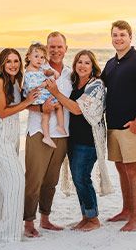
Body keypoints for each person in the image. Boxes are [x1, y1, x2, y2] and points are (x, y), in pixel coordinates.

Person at [46, 50, 113, 232]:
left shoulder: (96, 85)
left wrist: (56, 93)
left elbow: (76, 109)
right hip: (74, 138)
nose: (82, 66)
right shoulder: (74, 83)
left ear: (93, 67)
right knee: (78, 178)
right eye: (79, 62)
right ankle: (86, 217)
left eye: (87, 63)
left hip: (89, 140)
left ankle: (93, 218)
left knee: (82, 177)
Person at [101, 20, 136, 232]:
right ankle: (126, 210)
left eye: (122, 35)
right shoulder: (110, 63)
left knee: (133, 168)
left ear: (130, 37)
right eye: (115, 35)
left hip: (133, 125)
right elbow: (97, 87)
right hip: (113, 125)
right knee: (121, 167)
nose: (118, 38)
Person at [0, 49, 39, 242]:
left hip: (12, 135)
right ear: (2, 63)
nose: (13, 65)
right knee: (16, 181)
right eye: (9, 61)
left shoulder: (15, 81)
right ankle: (10, 234)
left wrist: (37, 102)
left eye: (16, 61)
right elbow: (2, 112)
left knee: (2, 185)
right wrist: (27, 102)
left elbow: (25, 103)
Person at [23, 32, 72, 237]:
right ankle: (28, 223)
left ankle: (45, 218)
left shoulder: (70, 73)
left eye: (59, 47)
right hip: (38, 131)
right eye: (51, 47)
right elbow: (24, 101)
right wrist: (41, 108)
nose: (55, 50)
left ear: (66, 49)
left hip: (62, 133)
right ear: (46, 48)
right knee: (34, 179)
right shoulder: (35, 71)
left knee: (51, 180)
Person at [23, 42, 66, 149]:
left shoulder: (41, 68)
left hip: (44, 95)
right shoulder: (29, 72)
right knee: (51, 111)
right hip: (39, 97)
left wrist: (52, 72)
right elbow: (33, 87)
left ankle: (56, 129)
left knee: (53, 110)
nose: (39, 60)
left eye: (42, 57)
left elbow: (47, 72)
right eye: (36, 56)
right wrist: (45, 83)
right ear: (28, 57)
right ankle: (51, 133)